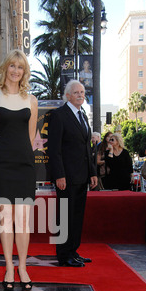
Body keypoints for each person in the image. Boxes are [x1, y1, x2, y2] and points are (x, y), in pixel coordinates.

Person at [0, 50, 38, 291]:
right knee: (6, 220)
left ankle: (22, 267)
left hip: (24, 166)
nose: (16, 71)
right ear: (5, 68)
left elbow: (30, 136)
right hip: (2, 166)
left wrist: (20, 156)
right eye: (12, 66)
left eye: (21, 67)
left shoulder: (31, 100)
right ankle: (8, 268)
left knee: (23, 221)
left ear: (24, 72)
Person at [48, 79, 98, 268]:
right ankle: (63, 255)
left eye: (83, 92)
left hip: (82, 176)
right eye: (76, 92)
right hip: (66, 178)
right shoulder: (59, 115)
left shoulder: (83, 115)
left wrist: (92, 172)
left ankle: (73, 251)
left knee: (77, 216)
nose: (80, 95)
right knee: (65, 217)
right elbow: (54, 149)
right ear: (68, 95)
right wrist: (59, 175)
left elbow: (87, 147)